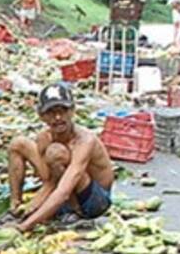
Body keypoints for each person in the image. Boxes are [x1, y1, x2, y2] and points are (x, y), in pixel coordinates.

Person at [6, 82, 115, 232]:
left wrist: (24, 226)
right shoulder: (44, 137)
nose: (58, 117)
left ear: (72, 111)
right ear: (41, 116)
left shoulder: (84, 141)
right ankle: (14, 206)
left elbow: (63, 189)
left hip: (93, 200)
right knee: (18, 144)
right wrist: (32, 205)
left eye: (63, 111)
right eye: (51, 112)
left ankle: (73, 211)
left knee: (56, 152)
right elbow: (50, 180)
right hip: (61, 184)